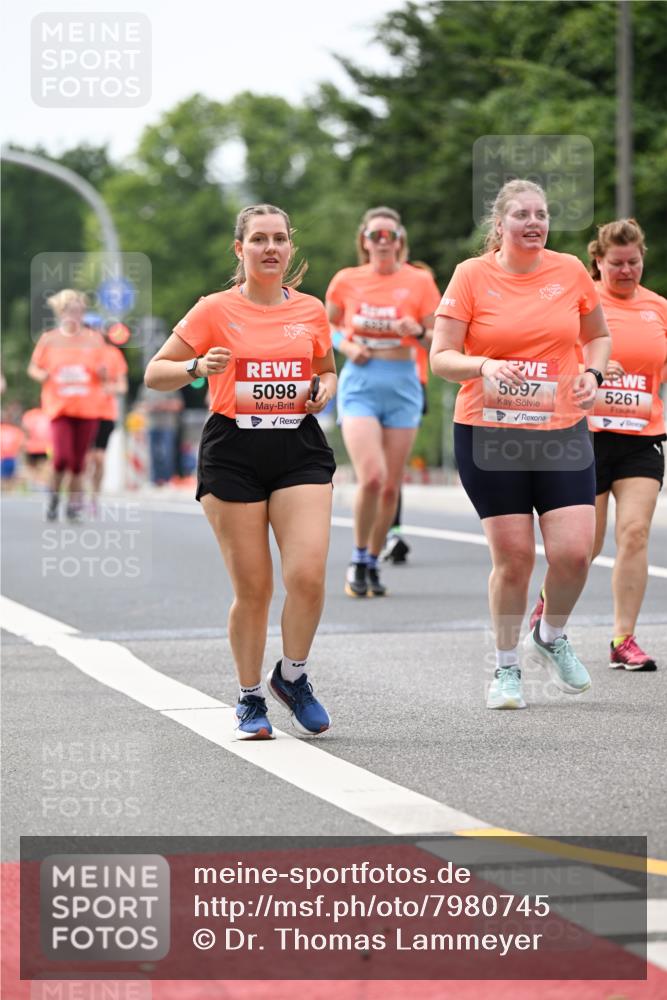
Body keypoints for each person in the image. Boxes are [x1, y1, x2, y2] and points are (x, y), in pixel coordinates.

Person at [144, 204, 337, 740]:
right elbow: (155, 372)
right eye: (258, 240)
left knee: (308, 576)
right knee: (254, 588)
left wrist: (326, 388)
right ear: (241, 249)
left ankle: (292, 676)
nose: (270, 248)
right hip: (234, 449)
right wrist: (195, 368)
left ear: (290, 248)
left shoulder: (312, 311)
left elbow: (325, 368)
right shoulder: (213, 310)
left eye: (279, 239)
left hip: (298, 447)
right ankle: (250, 696)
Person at [430, 179, 611, 710]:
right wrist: (484, 365)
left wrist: (594, 375)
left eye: (542, 214)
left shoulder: (570, 271)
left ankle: (549, 636)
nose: (534, 223)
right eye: (522, 215)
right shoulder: (471, 276)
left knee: (575, 553)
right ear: (500, 225)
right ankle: (506, 669)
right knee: (513, 559)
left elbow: (596, 336)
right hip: (489, 432)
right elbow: (441, 357)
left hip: (560, 431)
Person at [530, 218, 667, 670]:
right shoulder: (581, 301)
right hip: (585, 434)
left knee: (634, 533)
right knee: (583, 544)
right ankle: (547, 609)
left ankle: (623, 638)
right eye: (617, 264)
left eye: (634, 262)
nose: (627, 271)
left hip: (641, 437)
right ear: (598, 262)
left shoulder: (658, 307)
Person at [326, 207, 441, 597]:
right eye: (375, 235)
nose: (382, 242)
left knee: (391, 486)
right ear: (364, 240)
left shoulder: (420, 281)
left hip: (403, 383)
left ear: (399, 240)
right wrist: (347, 344)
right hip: (361, 382)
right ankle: (358, 556)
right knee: (371, 477)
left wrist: (420, 330)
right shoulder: (346, 280)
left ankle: (373, 559)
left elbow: (439, 338)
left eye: (389, 235)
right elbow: (325, 326)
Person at [27, 290, 107, 521]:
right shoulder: (49, 339)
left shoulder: (94, 340)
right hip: (59, 408)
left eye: (79, 310)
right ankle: (53, 496)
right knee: (62, 458)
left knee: (78, 462)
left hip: (88, 408)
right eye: (70, 310)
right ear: (60, 312)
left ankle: (74, 504)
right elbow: (33, 368)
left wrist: (102, 374)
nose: (75, 314)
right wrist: (42, 375)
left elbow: (103, 372)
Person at [87, 329, 129, 512]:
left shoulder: (113, 354)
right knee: (85, 458)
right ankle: (80, 494)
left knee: (99, 458)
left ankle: (94, 496)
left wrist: (109, 388)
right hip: (83, 412)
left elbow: (122, 386)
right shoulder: (80, 352)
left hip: (105, 413)